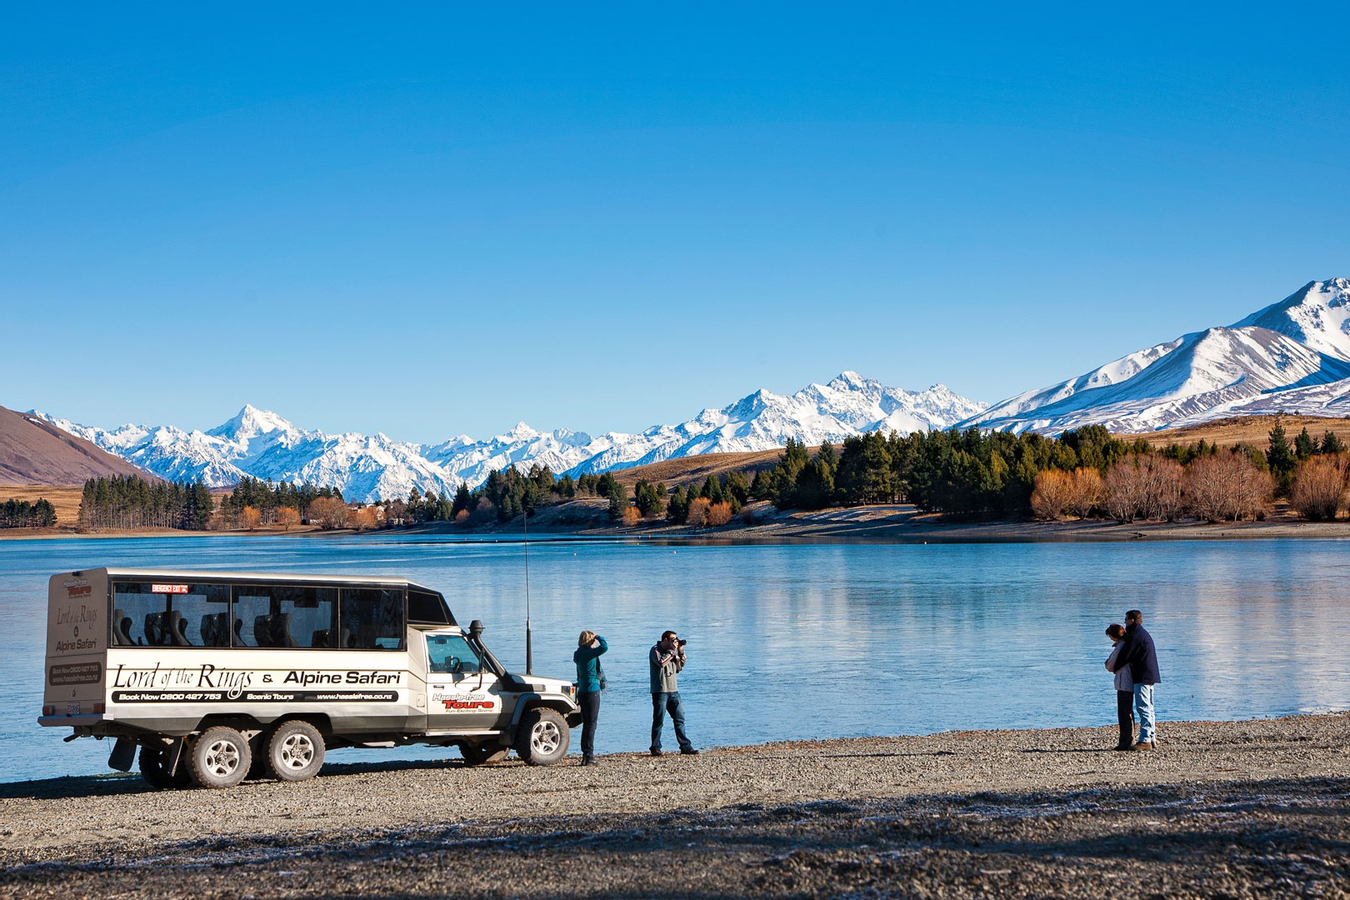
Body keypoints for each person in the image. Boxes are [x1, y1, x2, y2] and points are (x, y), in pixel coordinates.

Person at [1110, 609, 1161, 750]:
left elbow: (1125, 656)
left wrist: (1115, 668)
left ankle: (1145, 740)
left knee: (1143, 707)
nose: (1124, 622)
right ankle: (1152, 737)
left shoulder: (1135, 636)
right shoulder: (1142, 633)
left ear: (1132, 620)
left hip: (1142, 675)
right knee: (1149, 708)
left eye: (1126, 619)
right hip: (1150, 674)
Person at [649, 629, 697, 756]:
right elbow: (661, 663)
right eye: (672, 640)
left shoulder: (673, 652)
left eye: (676, 639)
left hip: (673, 690)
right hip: (660, 691)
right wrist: (671, 652)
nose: (675, 642)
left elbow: (680, 667)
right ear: (665, 640)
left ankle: (685, 746)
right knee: (658, 720)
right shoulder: (655, 650)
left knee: (680, 718)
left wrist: (680, 652)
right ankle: (655, 747)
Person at [573, 629, 607, 766]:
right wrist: (599, 637)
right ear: (590, 640)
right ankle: (589, 755)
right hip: (592, 689)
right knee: (592, 724)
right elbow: (605, 647)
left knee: (587, 723)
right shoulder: (589, 653)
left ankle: (585, 755)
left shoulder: (578, 654)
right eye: (593, 640)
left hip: (582, 690)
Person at [1104, 623, 1134, 750]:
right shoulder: (1127, 645)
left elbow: (1110, 665)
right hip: (1130, 681)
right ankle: (1129, 739)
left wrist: (1107, 664)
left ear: (1112, 636)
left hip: (1123, 683)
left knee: (1124, 712)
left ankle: (1126, 741)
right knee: (1128, 711)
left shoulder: (1120, 647)